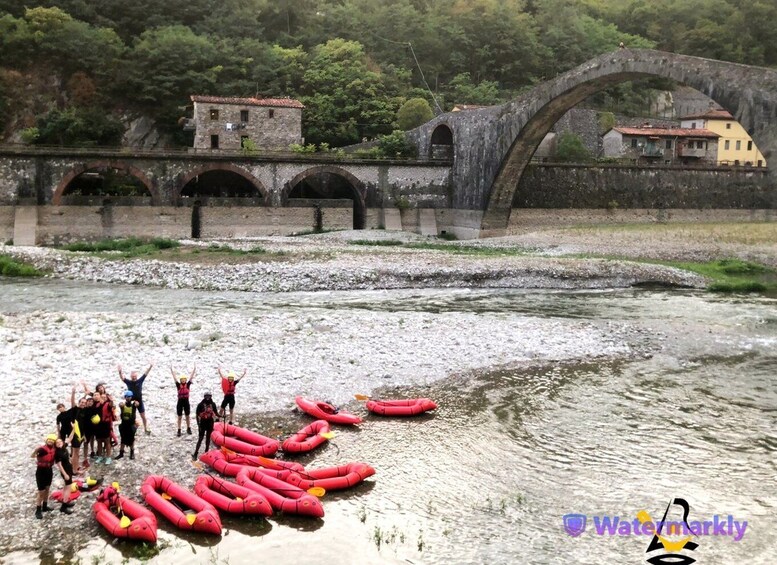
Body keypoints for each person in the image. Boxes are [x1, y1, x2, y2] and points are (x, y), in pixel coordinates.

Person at [118, 363, 153, 434]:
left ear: (136, 376)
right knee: (131, 416)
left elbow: (145, 374)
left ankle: (145, 428)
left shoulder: (139, 381)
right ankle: (132, 429)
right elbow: (122, 378)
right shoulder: (129, 382)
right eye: (132, 376)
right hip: (131, 401)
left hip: (139, 401)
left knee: (143, 415)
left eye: (135, 376)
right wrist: (120, 372)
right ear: (131, 376)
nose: (134, 377)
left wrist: (150, 366)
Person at [32, 434, 57, 519]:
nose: (50, 441)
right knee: (41, 492)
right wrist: (35, 451)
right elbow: (32, 456)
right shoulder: (42, 449)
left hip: (49, 470)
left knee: (47, 489)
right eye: (49, 440)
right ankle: (38, 510)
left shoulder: (54, 449)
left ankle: (45, 506)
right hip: (41, 471)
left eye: (52, 440)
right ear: (46, 440)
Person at [192, 391, 219, 461]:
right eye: (206, 396)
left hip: (210, 422)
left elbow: (215, 413)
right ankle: (195, 453)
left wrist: (222, 416)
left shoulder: (213, 404)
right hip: (203, 423)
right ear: (204, 397)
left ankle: (206, 452)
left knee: (208, 438)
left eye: (209, 396)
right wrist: (198, 424)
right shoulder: (200, 405)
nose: (207, 398)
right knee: (200, 439)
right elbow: (197, 414)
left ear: (211, 397)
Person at [171, 365, 196, 436]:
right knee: (179, 417)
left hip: (186, 402)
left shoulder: (188, 385)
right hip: (180, 403)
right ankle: (179, 429)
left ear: (185, 380)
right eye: (182, 379)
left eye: (184, 379)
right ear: (180, 380)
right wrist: (172, 371)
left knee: (187, 416)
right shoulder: (178, 385)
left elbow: (191, 377)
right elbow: (174, 378)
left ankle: (188, 428)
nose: (183, 380)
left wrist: (194, 369)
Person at [116, 390, 139, 460]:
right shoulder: (123, 405)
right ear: (125, 397)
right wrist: (120, 404)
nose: (128, 398)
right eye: (127, 397)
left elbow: (137, 404)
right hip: (124, 425)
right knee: (123, 439)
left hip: (131, 425)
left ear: (131, 397)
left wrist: (137, 403)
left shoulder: (134, 405)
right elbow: (120, 405)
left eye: (129, 397)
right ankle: (121, 453)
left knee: (131, 440)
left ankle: (132, 453)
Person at [54, 438, 75, 514]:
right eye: (57, 443)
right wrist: (65, 474)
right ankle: (64, 506)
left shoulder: (64, 447)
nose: (59, 443)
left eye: (60, 441)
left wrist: (73, 428)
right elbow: (59, 465)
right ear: (55, 445)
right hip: (65, 470)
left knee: (67, 486)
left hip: (68, 468)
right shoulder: (57, 453)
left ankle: (65, 501)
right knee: (68, 487)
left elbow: (70, 438)